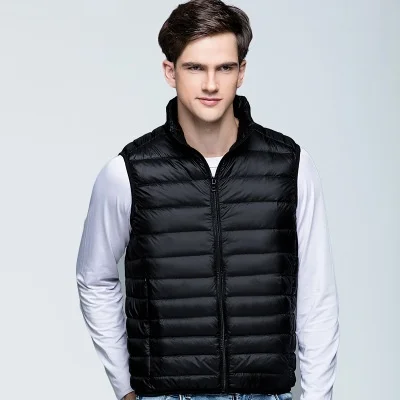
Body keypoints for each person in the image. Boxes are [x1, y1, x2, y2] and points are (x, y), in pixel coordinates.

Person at [76, 1, 340, 400]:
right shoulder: (128, 172)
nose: (211, 84)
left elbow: (317, 295)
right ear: (170, 72)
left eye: (225, 68)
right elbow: (94, 277)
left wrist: (318, 396)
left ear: (242, 72)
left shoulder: (290, 166)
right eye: (195, 68)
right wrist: (125, 386)